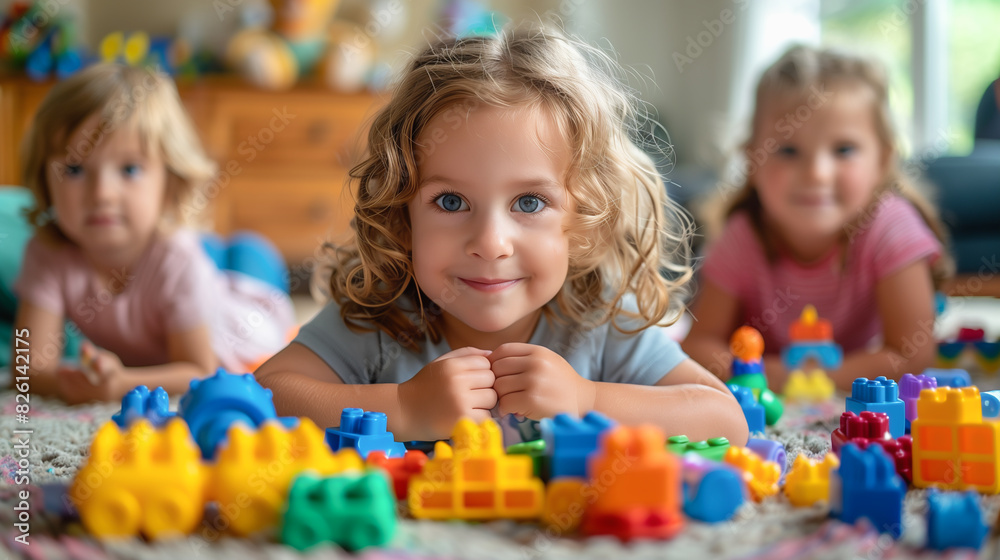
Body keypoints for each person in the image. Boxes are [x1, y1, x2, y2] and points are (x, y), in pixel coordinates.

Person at [255, 22, 748, 444]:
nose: (490, 243)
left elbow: (724, 419)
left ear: (581, 219)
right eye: (450, 202)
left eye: (529, 203)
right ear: (402, 215)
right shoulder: (382, 314)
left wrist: (587, 398)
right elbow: (266, 394)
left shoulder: (602, 318)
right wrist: (404, 406)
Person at [12, 63, 296, 404]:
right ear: (44, 179)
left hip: (240, 319)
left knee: (251, 253)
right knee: (211, 255)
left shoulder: (176, 260)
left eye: (129, 169)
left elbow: (198, 371)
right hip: (190, 268)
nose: (102, 194)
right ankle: (216, 255)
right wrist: (76, 382)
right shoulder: (46, 251)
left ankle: (228, 255)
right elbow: (28, 369)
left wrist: (122, 384)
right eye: (74, 169)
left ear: (170, 181)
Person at [683, 45, 953, 391]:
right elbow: (699, 345)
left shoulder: (891, 227)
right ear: (752, 160)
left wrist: (802, 380)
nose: (816, 174)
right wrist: (778, 377)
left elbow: (911, 354)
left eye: (844, 150)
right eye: (788, 150)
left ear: (883, 161)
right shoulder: (743, 234)